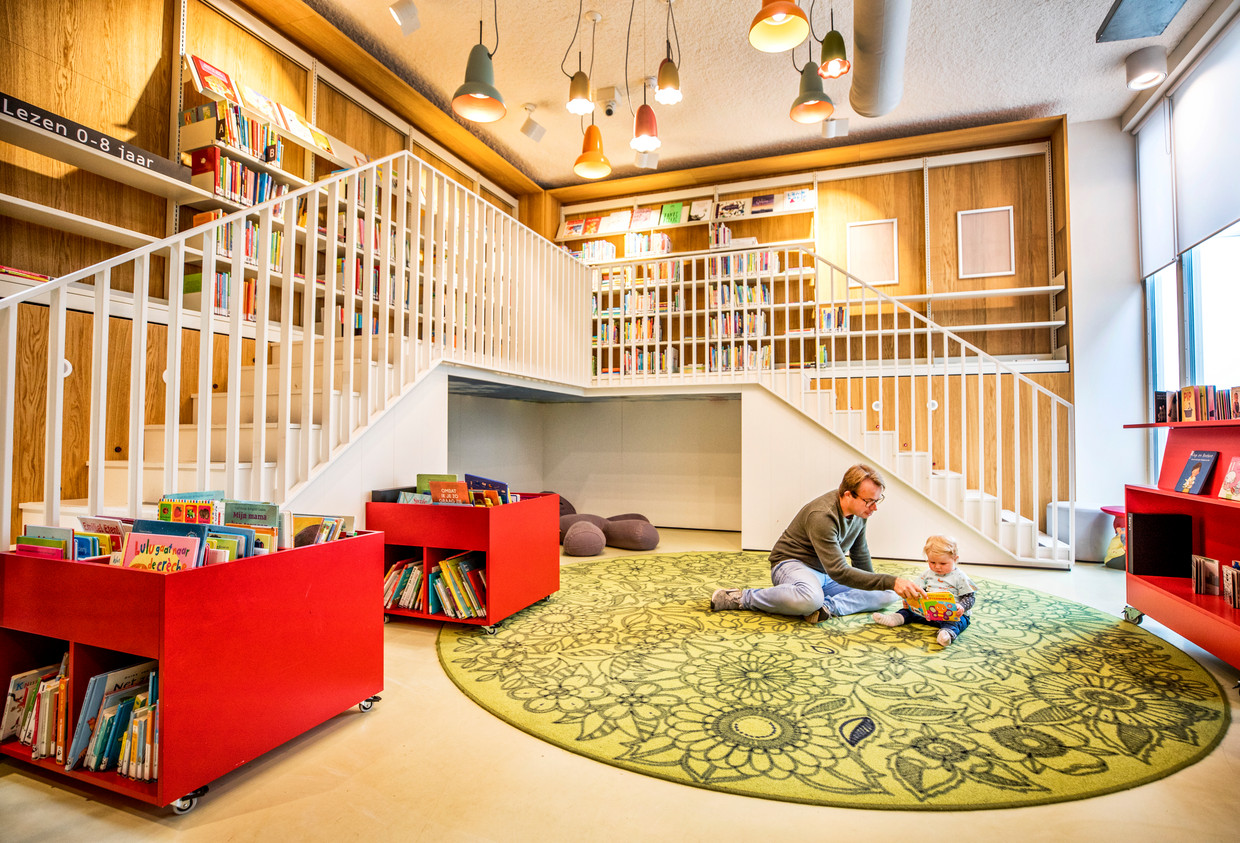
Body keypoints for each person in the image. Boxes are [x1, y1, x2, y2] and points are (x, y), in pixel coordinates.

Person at [710, 463, 925, 622]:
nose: (874, 507)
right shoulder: (822, 515)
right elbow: (840, 571)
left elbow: (860, 554)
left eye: (877, 500)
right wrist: (890, 580)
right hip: (793, 565)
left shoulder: (861, 513)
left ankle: (827, 608)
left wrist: (880, 586)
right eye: (869, 501)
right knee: (809, 598)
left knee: (888, 593)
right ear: (848, 495)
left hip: (827, 573)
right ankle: (742, 598)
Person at [872, 534, 977, 646]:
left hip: (951, 615)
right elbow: (916, 590)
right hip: (927, 613)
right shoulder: (927, 574)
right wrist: (909, 601)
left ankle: (946, 634)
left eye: (943, 563)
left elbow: (970, 597)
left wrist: (962, 606)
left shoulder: (960, 577)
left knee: (957, 623)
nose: (937, 567)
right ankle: (895, 619)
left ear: (955, 559)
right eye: (932, 562)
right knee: (909, 612)